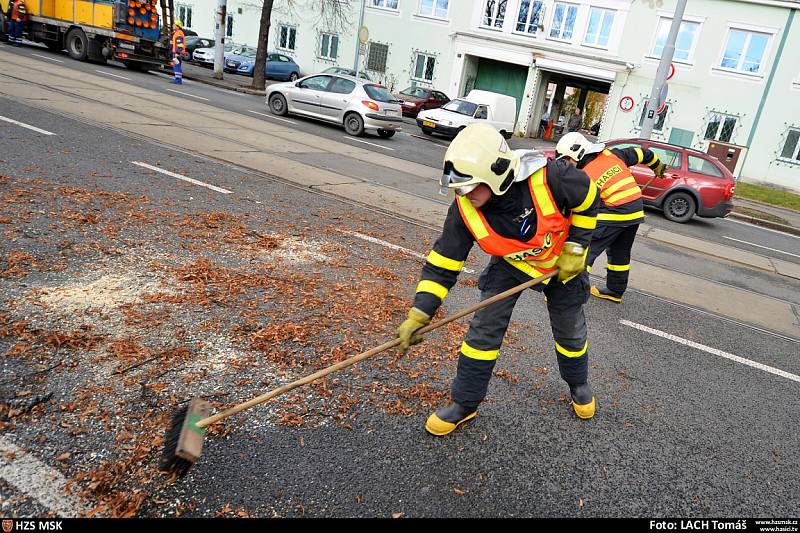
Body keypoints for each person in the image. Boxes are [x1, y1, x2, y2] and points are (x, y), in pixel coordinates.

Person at [396, 123, 600, 436]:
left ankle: (578, 382)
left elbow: (588, 195)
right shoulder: (465, 208)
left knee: (570, 332)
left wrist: (577, 245)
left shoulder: (551, 177)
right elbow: (443, 262)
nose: (460, 193)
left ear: (496, 174)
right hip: (511, 267)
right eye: (457, 186)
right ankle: (465, 403)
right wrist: (420, 311)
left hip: (562, 267)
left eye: (467, 185)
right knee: (483, 333)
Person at [555, 132, 667, 303]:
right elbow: (642, 153)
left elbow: (574, 207)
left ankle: (567, 294)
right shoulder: (611, 154)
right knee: (619, 252)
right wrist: (657, 166)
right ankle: (615, 290)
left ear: (576, 153)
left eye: (566, 160)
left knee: (584, 249)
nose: (567, 165)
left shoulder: (584, 175)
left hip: (615, 211)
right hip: (636, 209)